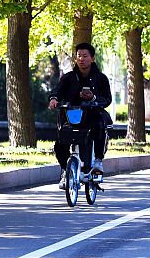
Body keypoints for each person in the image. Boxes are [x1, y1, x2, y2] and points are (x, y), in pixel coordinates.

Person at [48, 42, 112, 188]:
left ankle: (98, 162)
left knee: (99, 126)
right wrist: (53, 99)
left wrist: (93, 98)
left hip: (92, 116)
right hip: (71, 117)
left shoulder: (101, 78)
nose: (81, 59)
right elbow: (57, 91)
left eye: (85, 56)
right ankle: (65, 170)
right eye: (79, 56)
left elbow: (107, 99)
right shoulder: (68, 78)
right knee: (59, 145)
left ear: (92, 58)